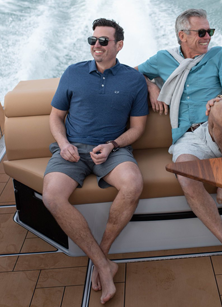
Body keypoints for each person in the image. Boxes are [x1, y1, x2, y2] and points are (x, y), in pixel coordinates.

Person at [135, 9, 222, 284]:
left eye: (210, 31)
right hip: (187, 137)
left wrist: (221, 100)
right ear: (182, 35)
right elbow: (133, 73)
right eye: (201, 33)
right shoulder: (163, 59)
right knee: (184, 175)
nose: (207, 37)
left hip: (217, 132)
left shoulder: (218, 54)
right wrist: (150, 85)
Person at [42, 18, 148, 304]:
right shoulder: (73, 73)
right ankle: (103, 264)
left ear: (119, 45)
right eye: (93, 40)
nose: (96, 46)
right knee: (51, 196)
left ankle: (102, 253)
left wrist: (112, 144)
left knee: (133, 184)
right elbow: (55, 116)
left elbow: (137, 129)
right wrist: (64, 145)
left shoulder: (133, 79)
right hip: (72, 150)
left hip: (111, 150)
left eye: (103, 41)